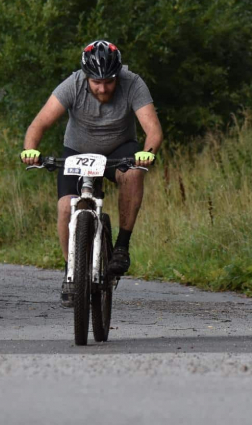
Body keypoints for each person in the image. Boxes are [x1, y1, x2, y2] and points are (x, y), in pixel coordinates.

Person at [20, 40, 163, 307]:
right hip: (77, 151)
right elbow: (39, 124)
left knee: (134, 174)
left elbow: (153, 129)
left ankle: (121, 246)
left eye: (109, 81)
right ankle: (71, 272)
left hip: (119, 150)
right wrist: (30, 149)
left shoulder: (133, 83)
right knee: (66, 207)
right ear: (86, 76)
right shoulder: (72, 84)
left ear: (118, 74)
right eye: (96, 82)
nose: (102, 88)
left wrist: (148, 152)